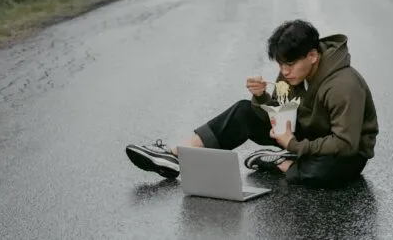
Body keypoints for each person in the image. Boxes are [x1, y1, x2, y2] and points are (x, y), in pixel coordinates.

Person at [124, 19, 379, 188]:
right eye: (280, 65)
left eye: (289, 64)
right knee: (243, 111)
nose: (284, 71)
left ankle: (281, 162)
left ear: (313, 56)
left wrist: (291, 144)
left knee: (325, 174)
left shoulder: (343, 85)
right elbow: (278, 111)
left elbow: (346, 144)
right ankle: (176, 155)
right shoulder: (292, 74)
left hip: (346, 151)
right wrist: (260, 97)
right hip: (302, 137)